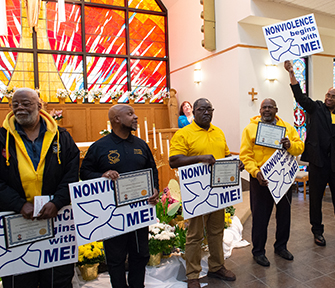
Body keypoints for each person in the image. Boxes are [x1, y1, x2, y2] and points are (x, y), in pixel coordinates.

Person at [0, 88, 80, 288]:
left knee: (58, 281)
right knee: (20, 281)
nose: (20, 108)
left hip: (56, 220)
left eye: (26, 103)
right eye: (15, 104)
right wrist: (19, 204)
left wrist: (57, 201)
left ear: (39, 105)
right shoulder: (2, 137)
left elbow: (71, 174)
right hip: (16, 220)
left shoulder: (61, 137)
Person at [80, 104, 159, 288]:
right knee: (116, 259)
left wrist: (155, 188)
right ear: (116, 119)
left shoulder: (141, 145)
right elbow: (84, 173)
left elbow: (152, 170)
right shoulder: (100, 147)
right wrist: (101, 176)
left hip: (138, 214)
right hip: (112, 214)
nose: (136, 117)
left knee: (140, 255)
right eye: (130, 114)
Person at [284, 60, 335, 246]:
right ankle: (317, 231)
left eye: (333, 96)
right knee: (316, 200)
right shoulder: (316, 108)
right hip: (318, 163)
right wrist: (291, 73)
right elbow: (300, 97)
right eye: (327, 94)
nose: (328, 98)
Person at [169, 98, 238, 288]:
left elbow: (224, 156)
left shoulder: (218, 132)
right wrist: (199, 158)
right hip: (196, 193)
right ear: (195, 111)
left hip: (216, 191)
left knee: (217, 231)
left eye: (210, 109)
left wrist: (234, 163)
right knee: (195, 235)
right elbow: (174, 160)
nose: (207, 112)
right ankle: (193, 274)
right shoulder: (184, 133)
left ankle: (217, 266)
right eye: (202, 109)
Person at [240, 98, 304, 267]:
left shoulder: (287, 128)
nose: (267, 110)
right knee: (260, 218)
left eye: (270, 107)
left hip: (282, 179)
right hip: (261, 180)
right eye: (264, 107)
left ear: (276, 109)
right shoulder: (250, 129)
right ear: (260, 110)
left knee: (284, 215)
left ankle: (281, 247)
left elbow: (300, 147)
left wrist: (290, 145)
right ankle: (258, 251)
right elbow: (246, 156)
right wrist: (255, 172)